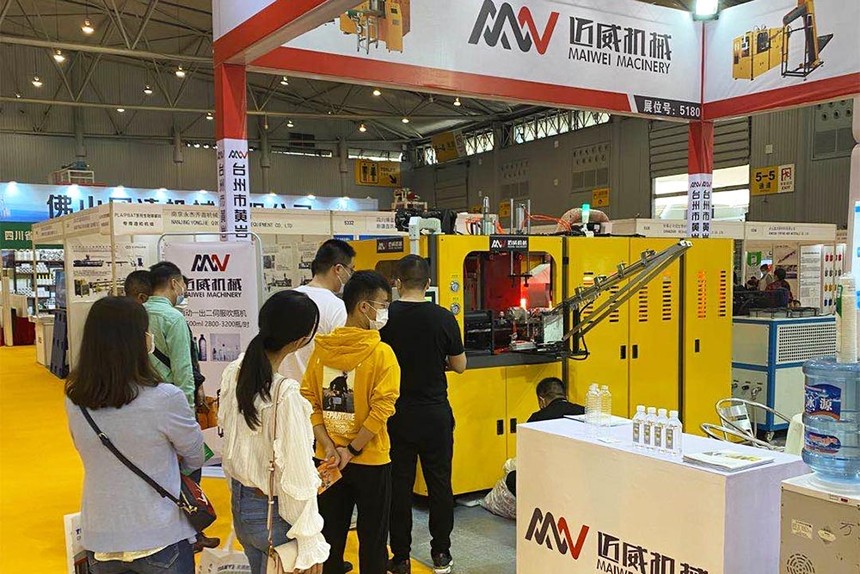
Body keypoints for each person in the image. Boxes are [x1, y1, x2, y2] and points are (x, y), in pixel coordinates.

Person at [65, 296, 205, 574]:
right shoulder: (165, 397)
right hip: (159, 533)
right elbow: (196, 455)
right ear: (138, 341)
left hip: (101, 535)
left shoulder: (75, 399)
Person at [219, 290, 329, 574]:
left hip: (241, 502)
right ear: (300, 340)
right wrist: (310, 539)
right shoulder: (285, 394)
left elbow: (230, 443)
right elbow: (296, 476)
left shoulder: (235, 371)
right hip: (273, 512)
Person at [301, 271, 400, 574]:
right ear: (363, 307)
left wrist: (329, 446)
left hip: (328, 460)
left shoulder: (322, 351)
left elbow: (310, 401)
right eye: (383, 305)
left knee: (329, 534)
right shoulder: (382, 354)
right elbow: (382, 408)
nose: (385, 312)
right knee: (373, 537)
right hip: (370, 459)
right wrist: (353, 449)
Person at [381, 255, 466, 574]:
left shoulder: (384, 318)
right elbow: (460, 365)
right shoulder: (443, 317)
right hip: (434, 414)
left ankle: (401, 557)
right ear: (428, 283)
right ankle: (441, 552)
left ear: (397, 283)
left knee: (399, 486)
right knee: (440, 484)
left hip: (395, 414)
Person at [279, 239, 356, 383]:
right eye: (351, 269)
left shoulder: (286, 299)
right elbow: (340, 361)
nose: (350, 275)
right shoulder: (336, 307)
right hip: (313, 392)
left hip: (282, 389)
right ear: (338, 269)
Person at [504, 378, 583, 497]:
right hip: (580, 475)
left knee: (512, 478)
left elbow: (527, 455)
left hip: (551, 478)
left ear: (541, 400)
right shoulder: (584, 411)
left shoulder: (537, 419)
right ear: (565, 395)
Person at [145, 262, 195, 408]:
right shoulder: (174, 318)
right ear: (174, 283)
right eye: (183, 285)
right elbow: (182, 369)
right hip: (168, 398)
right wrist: (188, 407)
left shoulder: (136, 312)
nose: (184, 291)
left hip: (140, 397)